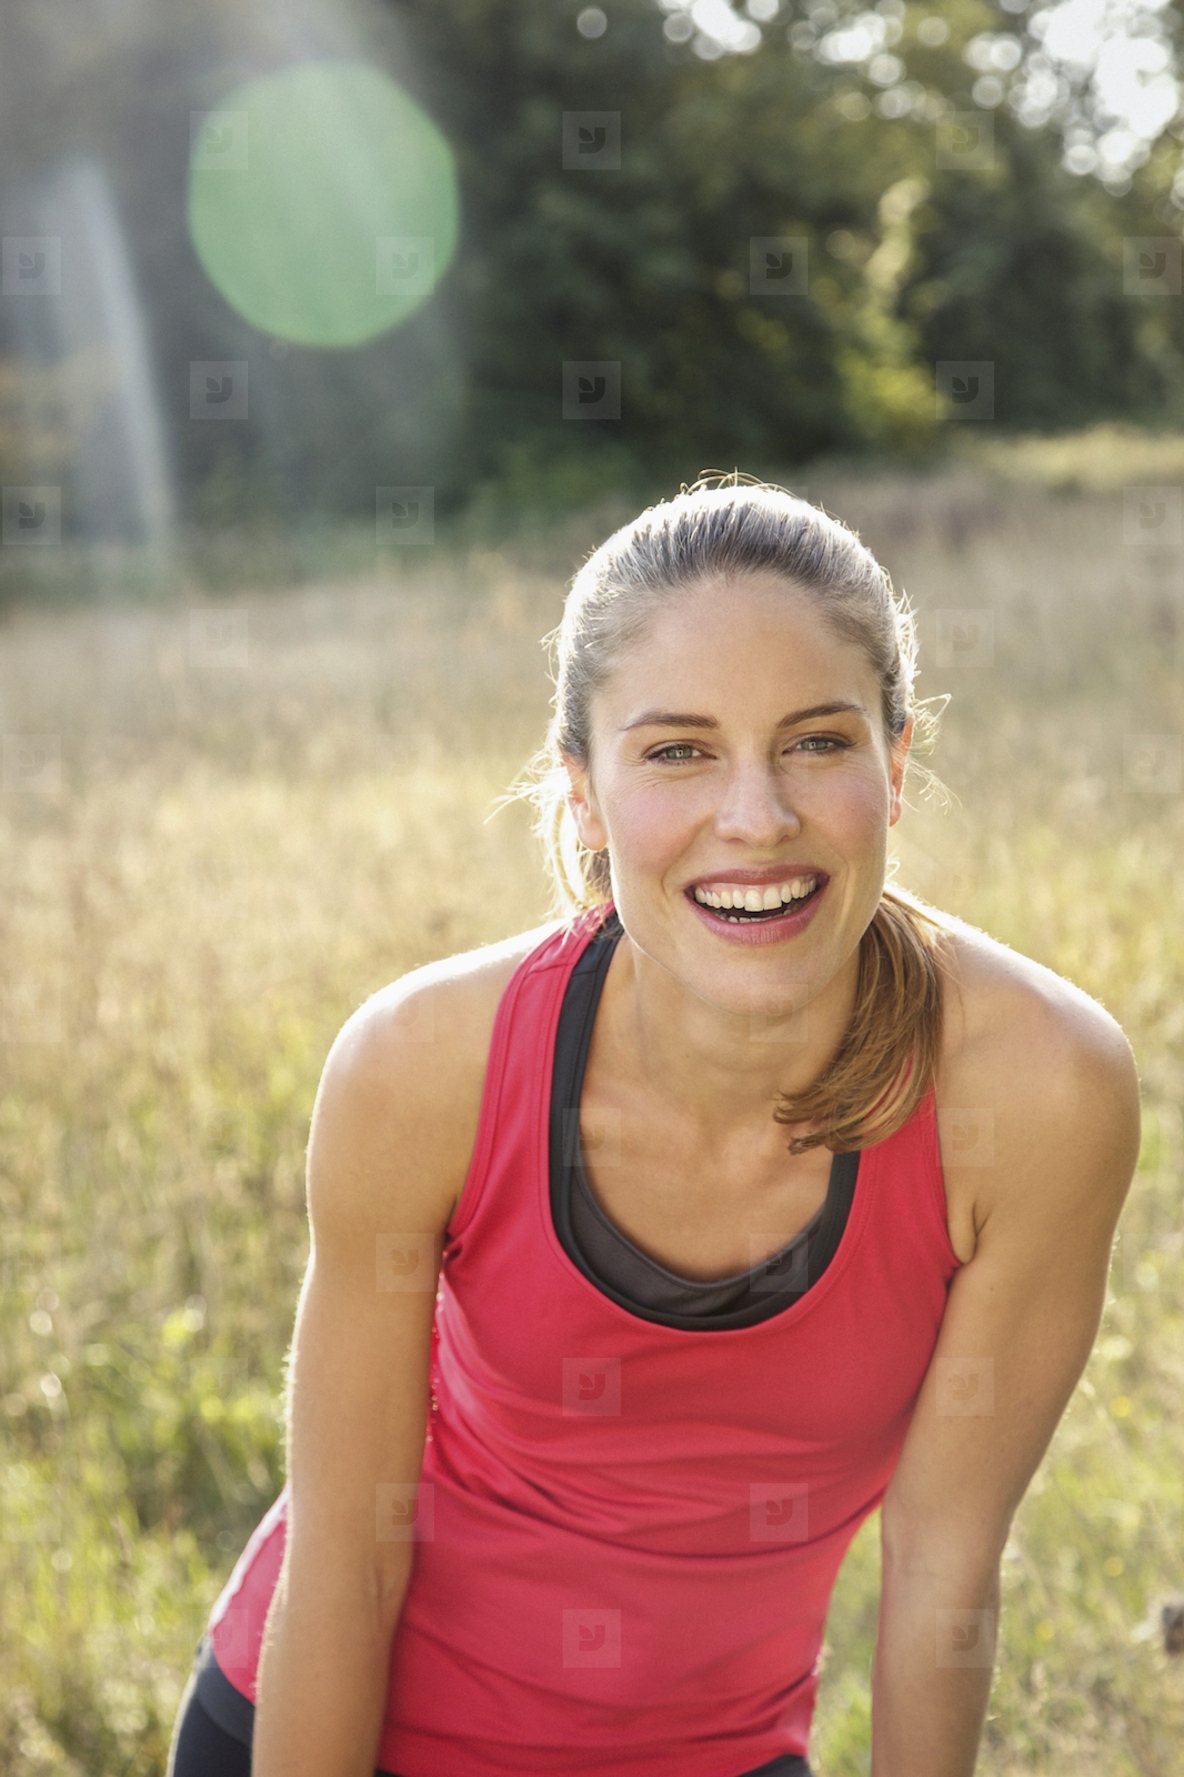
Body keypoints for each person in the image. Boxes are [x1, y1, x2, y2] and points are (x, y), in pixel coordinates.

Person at [167, 475, 1140, 1777]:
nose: (757, 815)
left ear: (896, 765)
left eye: (817, 741)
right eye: (678, 748)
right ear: (582, 787)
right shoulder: (422, 1067)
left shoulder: (1038, 1091)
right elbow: (348, 1559)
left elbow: (942, 1573)